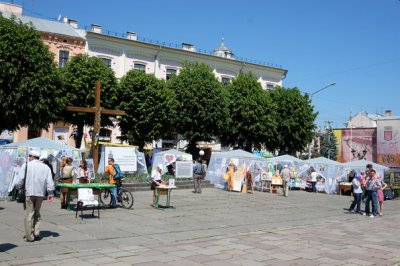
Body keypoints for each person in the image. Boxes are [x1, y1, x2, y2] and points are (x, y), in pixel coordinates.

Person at [15, 150, 54, 242]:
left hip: (29, 192)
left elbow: (20, 180)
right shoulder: (45, 167)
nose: (29, 157)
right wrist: (50, 193)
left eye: (29, 156)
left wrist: (17, 187)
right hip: (40, 193)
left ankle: (29, 236)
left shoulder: (27, 165)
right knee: (37, 212)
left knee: (29, 214)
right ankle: (36, 232)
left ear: (32, 156)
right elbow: (50, 181)